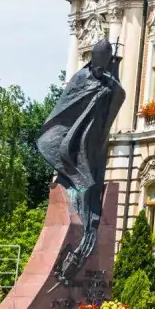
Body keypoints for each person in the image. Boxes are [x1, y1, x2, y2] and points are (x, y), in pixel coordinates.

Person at [36, 38, 125, 285]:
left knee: (91, 183)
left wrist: (110, 90)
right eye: (99, 60)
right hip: (73, 141)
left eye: (105, 61)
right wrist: (96, 95)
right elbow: (67, 105)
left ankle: (89, 226)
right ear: (94, 58)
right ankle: (84, 221)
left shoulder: (109, 81)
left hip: (94, 141)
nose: (101, 65)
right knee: (82, 182)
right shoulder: (80, 78)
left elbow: (119, 96)